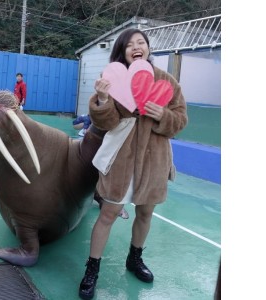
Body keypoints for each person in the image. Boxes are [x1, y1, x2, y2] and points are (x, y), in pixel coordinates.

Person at [78, 28, 188, 299]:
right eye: (130, 44)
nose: (136, 47)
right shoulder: (113, 78)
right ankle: (92, 268)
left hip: (154, 158)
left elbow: (180, 120)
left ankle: (134, 258)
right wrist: (103, 100)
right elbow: (108, 123)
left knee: (145, 213)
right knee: (108, 213)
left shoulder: (167, 82)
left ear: (148, 48)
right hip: (121, 156)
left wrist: (163, 114)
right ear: (122, 51)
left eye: (141, 42)